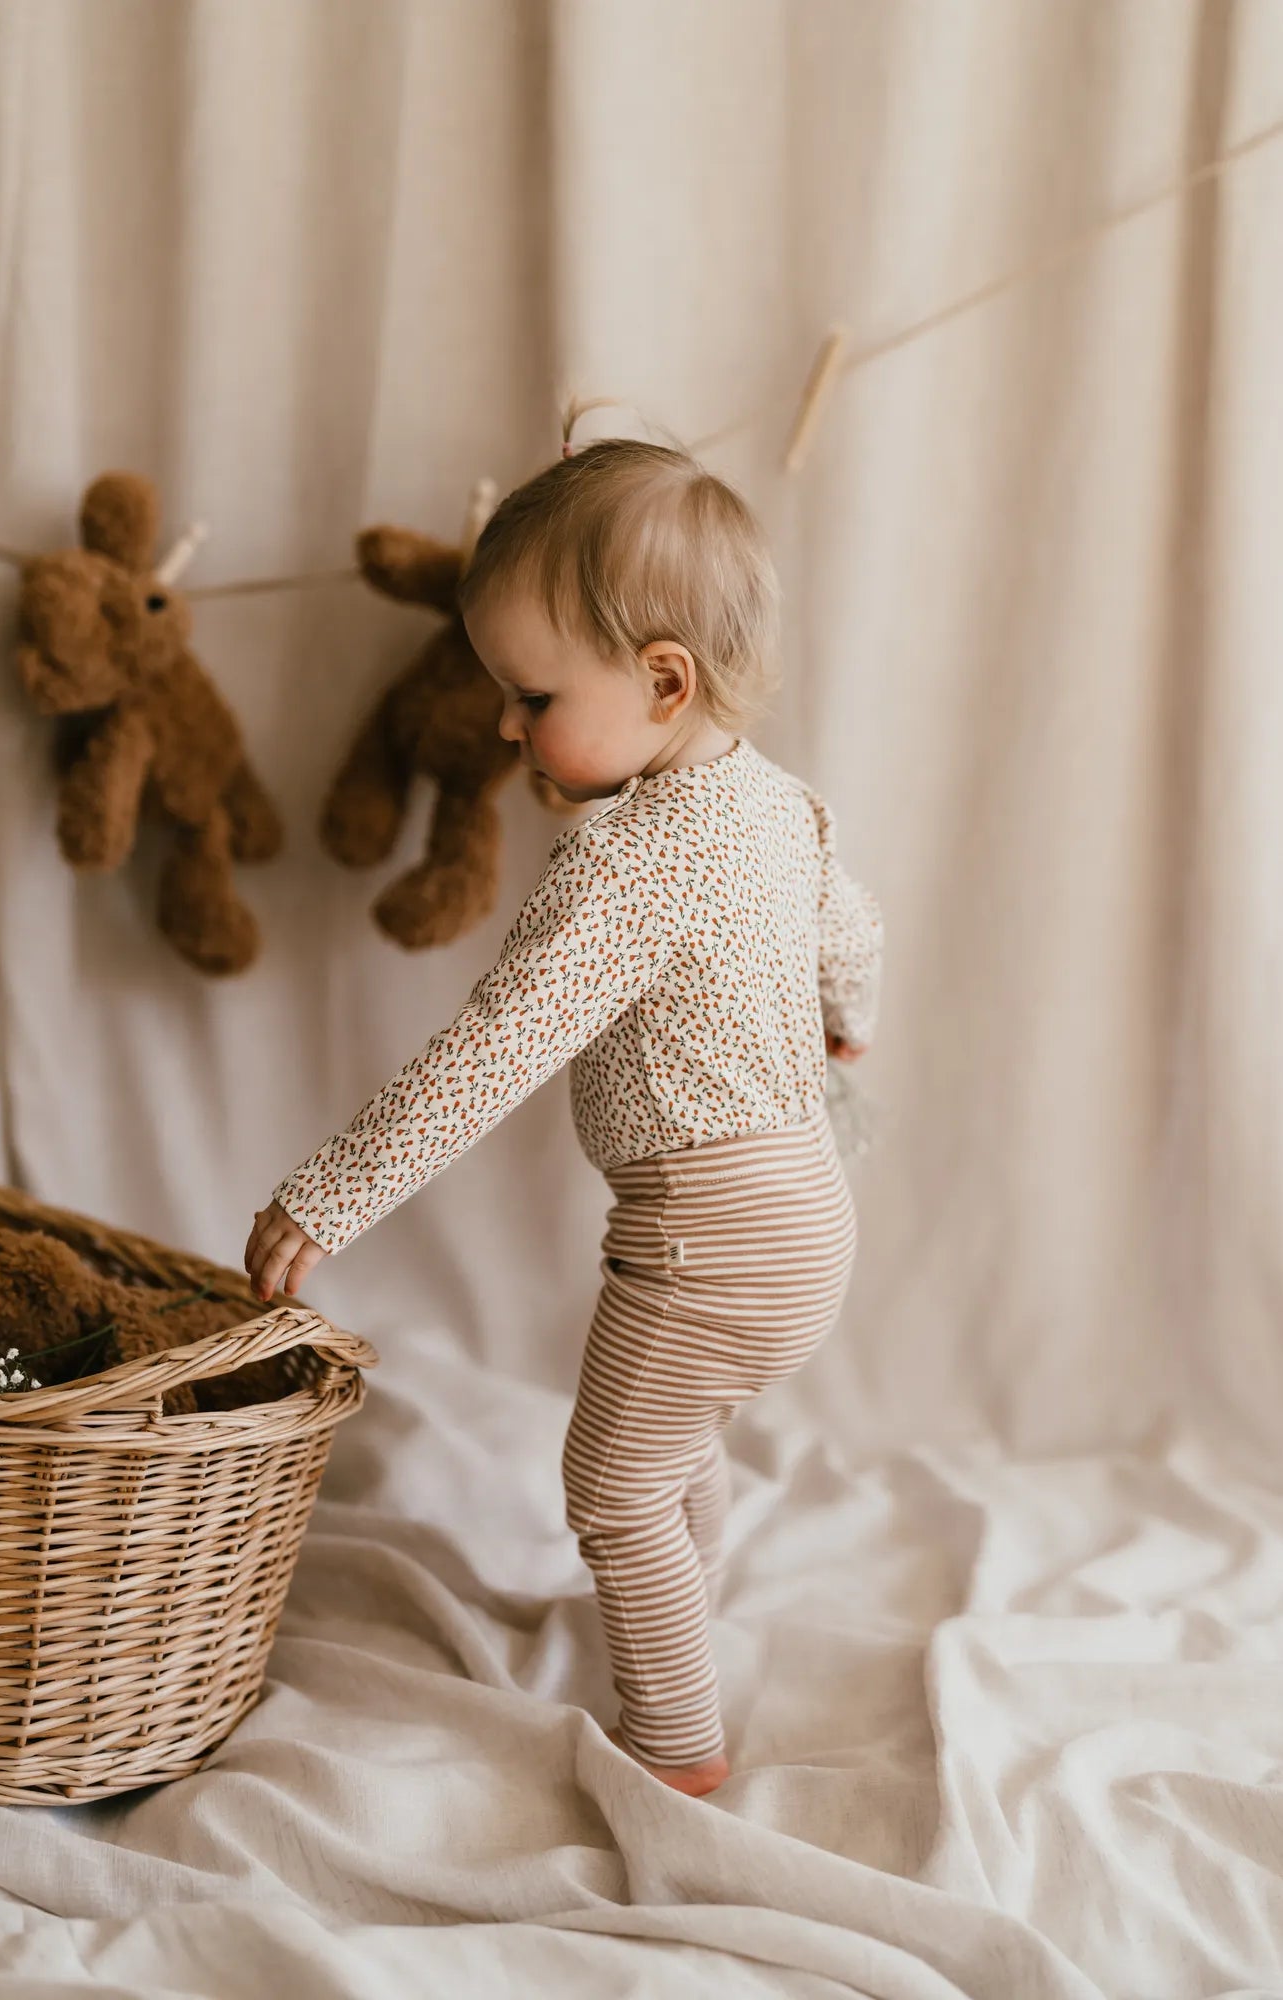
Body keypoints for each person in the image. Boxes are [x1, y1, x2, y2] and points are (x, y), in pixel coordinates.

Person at [245, 424, 883, 1797]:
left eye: (530, 696)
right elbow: (854, 931)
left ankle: (674, 1748)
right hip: (807, 1224)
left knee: (610, 1482)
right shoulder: (784, 808)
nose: (502, 727)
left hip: (707, 1240)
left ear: (663, 681)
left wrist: (331, 1193)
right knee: (673, 1444)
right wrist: (850, 1021)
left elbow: (489, 1053)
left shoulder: (625, 865)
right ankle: (682, 1621)